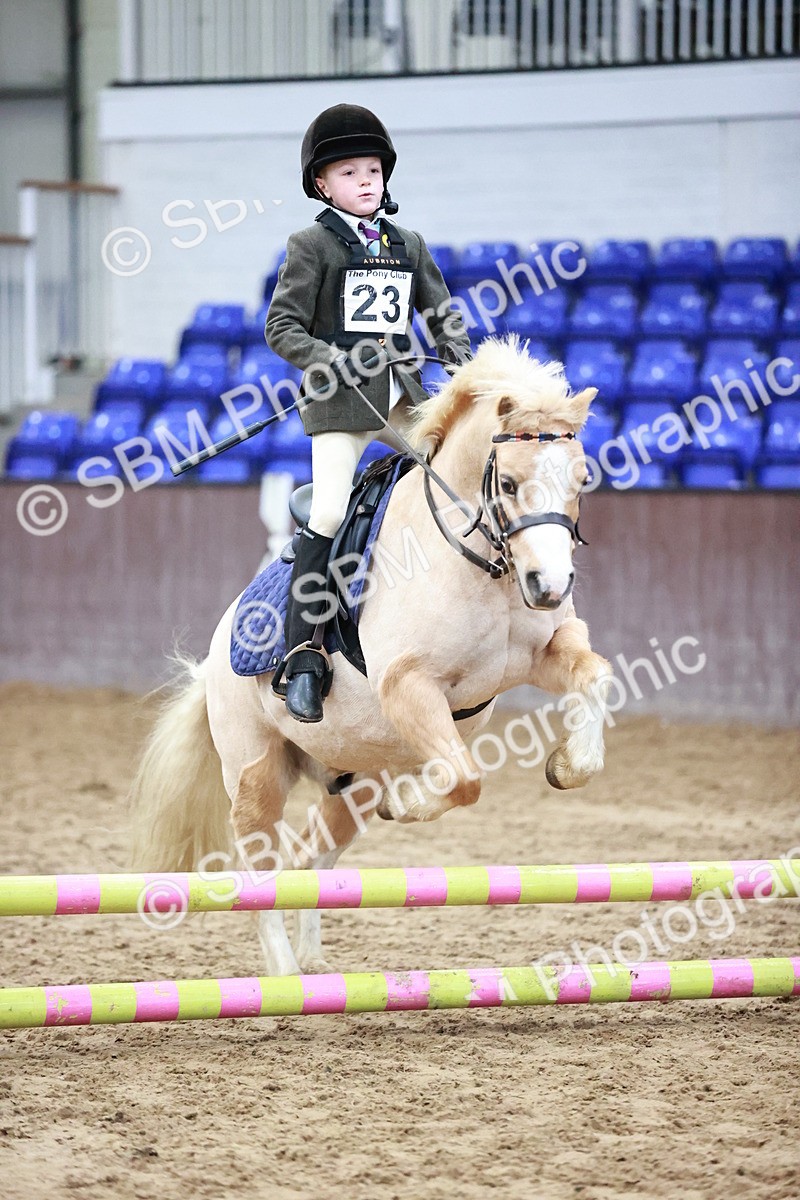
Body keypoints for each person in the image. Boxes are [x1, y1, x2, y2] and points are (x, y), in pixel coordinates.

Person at [265, 103, 471, 723]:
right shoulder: (311, 245)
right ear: (323, 185)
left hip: (402, 397)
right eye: (350, 172)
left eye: (373, 171)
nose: (366, 181)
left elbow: (442, 317)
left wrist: (466, 372)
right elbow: (282, 326)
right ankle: (303, 654)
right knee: (328, 509)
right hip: (341, 403)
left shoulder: (408, 244)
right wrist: (330, 358)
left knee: (456, 483)